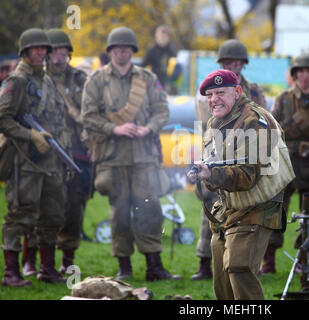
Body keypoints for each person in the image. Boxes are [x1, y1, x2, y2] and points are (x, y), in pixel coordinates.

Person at [81, 27, 180, 282]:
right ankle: (124, 267)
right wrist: (114, 128)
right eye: (117, 47)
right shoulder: (96, 80)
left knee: (150, 211)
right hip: (113, 158)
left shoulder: (147, 78)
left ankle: (154, 266)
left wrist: (149, 128)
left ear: (133, 51)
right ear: (111, 50)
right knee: (120, 214)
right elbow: (88, 116)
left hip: (144, 157)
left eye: (127, 47)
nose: (122, 51)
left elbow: (162, 110)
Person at [187, 69, 294, 299]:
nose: (214, 99)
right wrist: (204, 173)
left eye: (220, 93)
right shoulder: (216, 123)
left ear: (237, 92)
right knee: (222, 280)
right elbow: (214, 167)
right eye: (210, 95)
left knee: (239, 268)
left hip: (257, 206)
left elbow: (247, 176)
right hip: (229, 208)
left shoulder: (254, 121)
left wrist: (211, 174)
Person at [190, 38, 267, 281]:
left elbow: (264, 120)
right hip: (217, 152)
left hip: (245, 155)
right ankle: (206, 261)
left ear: (242, 64)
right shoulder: (208, 91)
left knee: (246, 211)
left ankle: (245, 263)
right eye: (227, 62)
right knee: (211, 208)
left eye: (235, 62)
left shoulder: (253, 91)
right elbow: (206, 124)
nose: (232, 66)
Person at [20, 28, 93, 276]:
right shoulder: (36, 79)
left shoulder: (81, 80)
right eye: (56, 52)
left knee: (73, 208)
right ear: (48, 54)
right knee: (38, 207)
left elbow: (92, 112)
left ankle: (67, 260)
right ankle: (31, 258)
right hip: (43, 152)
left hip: (76, 154)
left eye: (65, 52)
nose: (60, 57)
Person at [0, 28, 68, 286]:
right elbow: (2, 118)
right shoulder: (15, 81)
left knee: (52, 215)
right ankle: (11, 272)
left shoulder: (47, 80)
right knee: (21, 215)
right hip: (24, 160)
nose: (40, 53)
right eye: (35, 49)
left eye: (44, 49)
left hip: (50, 161)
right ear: (25, 52)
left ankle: (47, 269)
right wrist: (30, 135)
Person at [264, 53, 309, 274]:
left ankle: (305, 259)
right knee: (275, 213)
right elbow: (272, 129)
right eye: (300, 72)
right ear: (294, 75)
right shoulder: (283, 99)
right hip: (284, 164)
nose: (304, 76)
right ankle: (269, 260)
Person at [141, 25, 177, 90]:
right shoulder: (151, 50)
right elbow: (143, 66)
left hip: (169, 82)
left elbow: (177, 68)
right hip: (155, 82)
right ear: (156, 36)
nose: (162, 38)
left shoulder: (172, 50)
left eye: (164, 36)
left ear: (168, 37)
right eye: (161, 36)